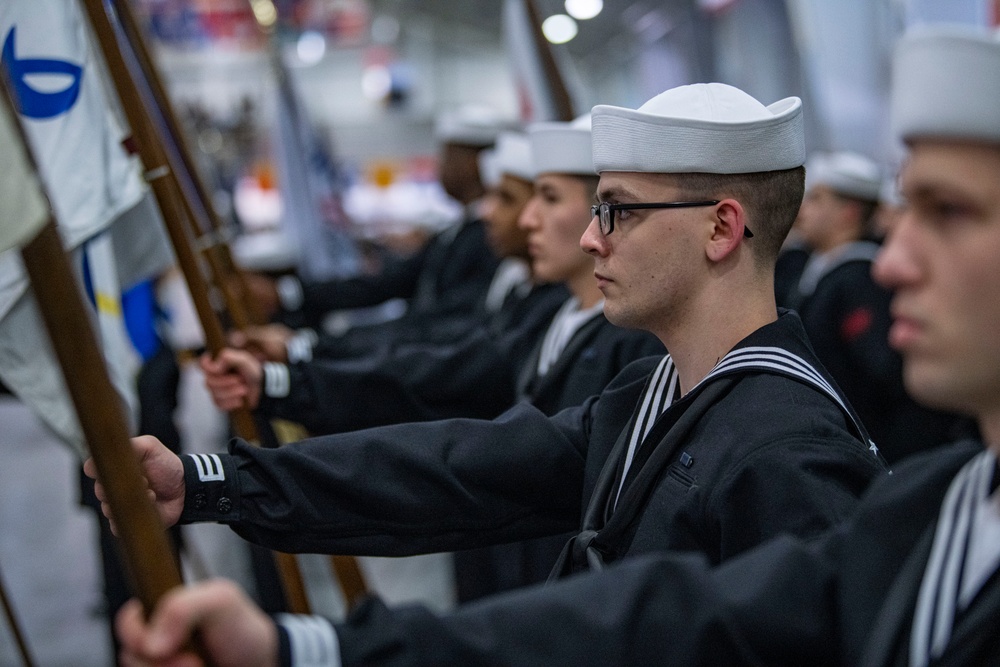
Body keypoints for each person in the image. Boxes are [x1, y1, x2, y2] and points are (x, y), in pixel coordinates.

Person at [109, 25, 1000, 667]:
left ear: (723, 228)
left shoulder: (789, 455)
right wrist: (217, 486)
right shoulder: (667, 400)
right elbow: (460, 468)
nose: (585, 237)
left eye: (615, 209)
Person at [244, 105, 506, 337]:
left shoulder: (488, 239)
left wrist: (323, 345)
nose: (441, 168)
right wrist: (288, 294)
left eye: (450, 157)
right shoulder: (457, 232)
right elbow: (386, 282)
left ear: (476, 163)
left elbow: (440, 323)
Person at [791, 151, 963, 462]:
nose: (804, 209)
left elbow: (881, 375)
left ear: (848, 213)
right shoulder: (821, 269)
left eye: (817, 199)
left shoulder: (858, 279)